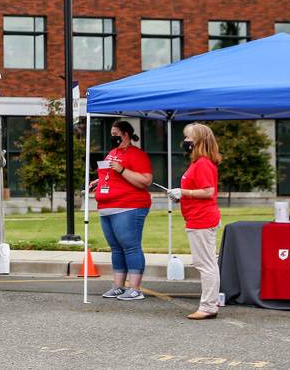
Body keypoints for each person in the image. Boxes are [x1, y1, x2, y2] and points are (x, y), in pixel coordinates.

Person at [91, 120, 153, 301]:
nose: (112, 137)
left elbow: (146, 180)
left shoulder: (137, 155)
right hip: (106, 208)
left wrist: (122, 169)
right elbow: (109, 174)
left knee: (130, 246)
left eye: (115, 134)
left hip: (129, 206)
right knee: (116, 248)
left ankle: (134, 288)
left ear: (125, 134)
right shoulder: (113, 153)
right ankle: (118, 286)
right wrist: (98, 182)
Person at [168, 123, 222, 321]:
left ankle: (208, 306)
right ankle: (209, 304)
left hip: (202, 218)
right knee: (206, 263)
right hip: (197, 217)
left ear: (199, 140)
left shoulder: (203, 163)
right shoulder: (198, 162)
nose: (185, 142)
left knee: (205, 264)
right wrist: (182, 195)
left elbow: (208, 192)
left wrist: (183, 192)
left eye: (188, 138)